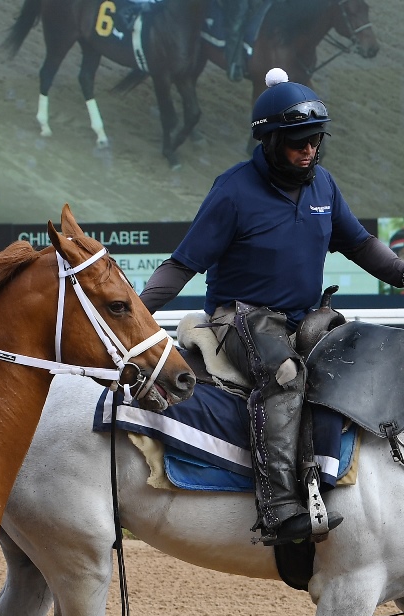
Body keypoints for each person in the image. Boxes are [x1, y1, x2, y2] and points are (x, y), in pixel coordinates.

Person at [139, 69, 404, 546]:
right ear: (271, 141)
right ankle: (279, 507)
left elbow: (363, 245)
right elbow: (182, 264)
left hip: (307, 318)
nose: (308, 151)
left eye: (315, 141)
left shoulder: (324, 185)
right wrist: (135, 312)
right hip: (238, 318)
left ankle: (335, 479)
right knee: (284, 376)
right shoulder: (232, 191)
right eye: (297, 142)